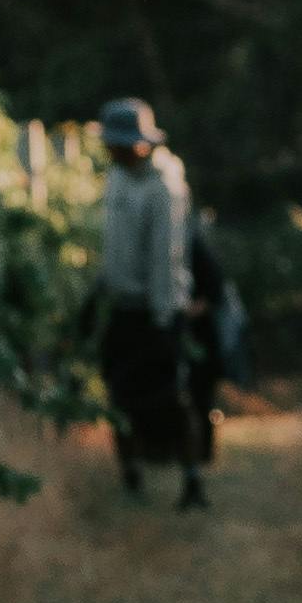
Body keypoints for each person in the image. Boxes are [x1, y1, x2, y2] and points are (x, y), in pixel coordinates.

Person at [90, 97, 214, 509]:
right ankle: (131, 474)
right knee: (119, 392)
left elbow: (166, 258)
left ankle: (191, 480)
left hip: (156, 309)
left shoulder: (164, 187)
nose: (112, 150)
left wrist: (164, 321)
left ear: (141, 145)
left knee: (173, 396)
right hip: (124, 305)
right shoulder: (118, 178)